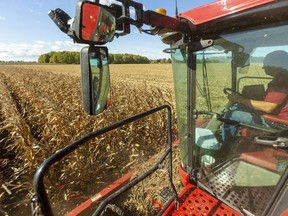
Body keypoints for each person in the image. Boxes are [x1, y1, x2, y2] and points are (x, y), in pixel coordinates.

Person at [222, 50, 288, 147]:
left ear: (277, 63)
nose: (263, 67)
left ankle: (225, 149)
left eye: (266, 63)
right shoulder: (283, 77)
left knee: (230, 115)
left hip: (277, 123)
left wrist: (239, 99)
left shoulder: (280, 81)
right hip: (280, 117)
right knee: (239, 106)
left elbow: (269, 107)